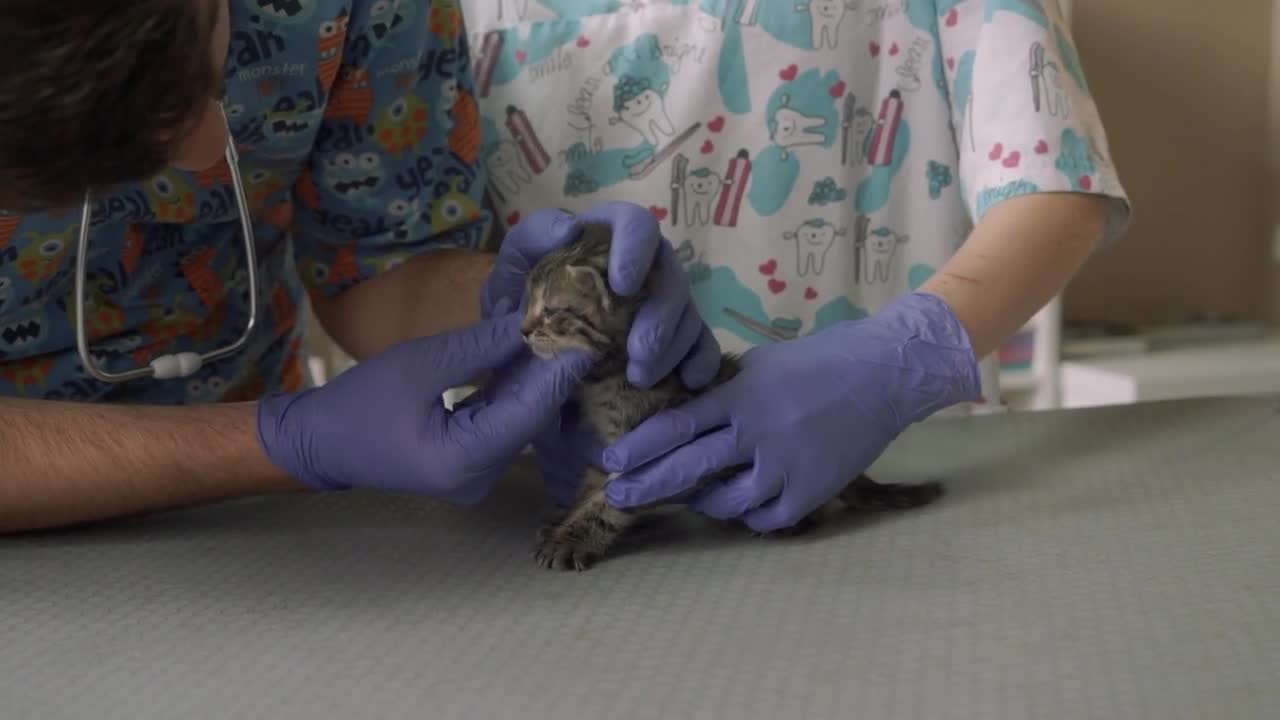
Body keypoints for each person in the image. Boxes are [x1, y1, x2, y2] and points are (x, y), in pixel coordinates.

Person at [0, 1, 715, 532]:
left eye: (201, 81)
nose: (207, 149)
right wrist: (277, 442)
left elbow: (377, 262)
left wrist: (512, 300)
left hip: (256, 526)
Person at [464, 0, 1132, 532]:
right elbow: (395, 252)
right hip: (556, 499)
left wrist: (895, 363)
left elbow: (1055, 179)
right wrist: (507, 356)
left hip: (894, 481)